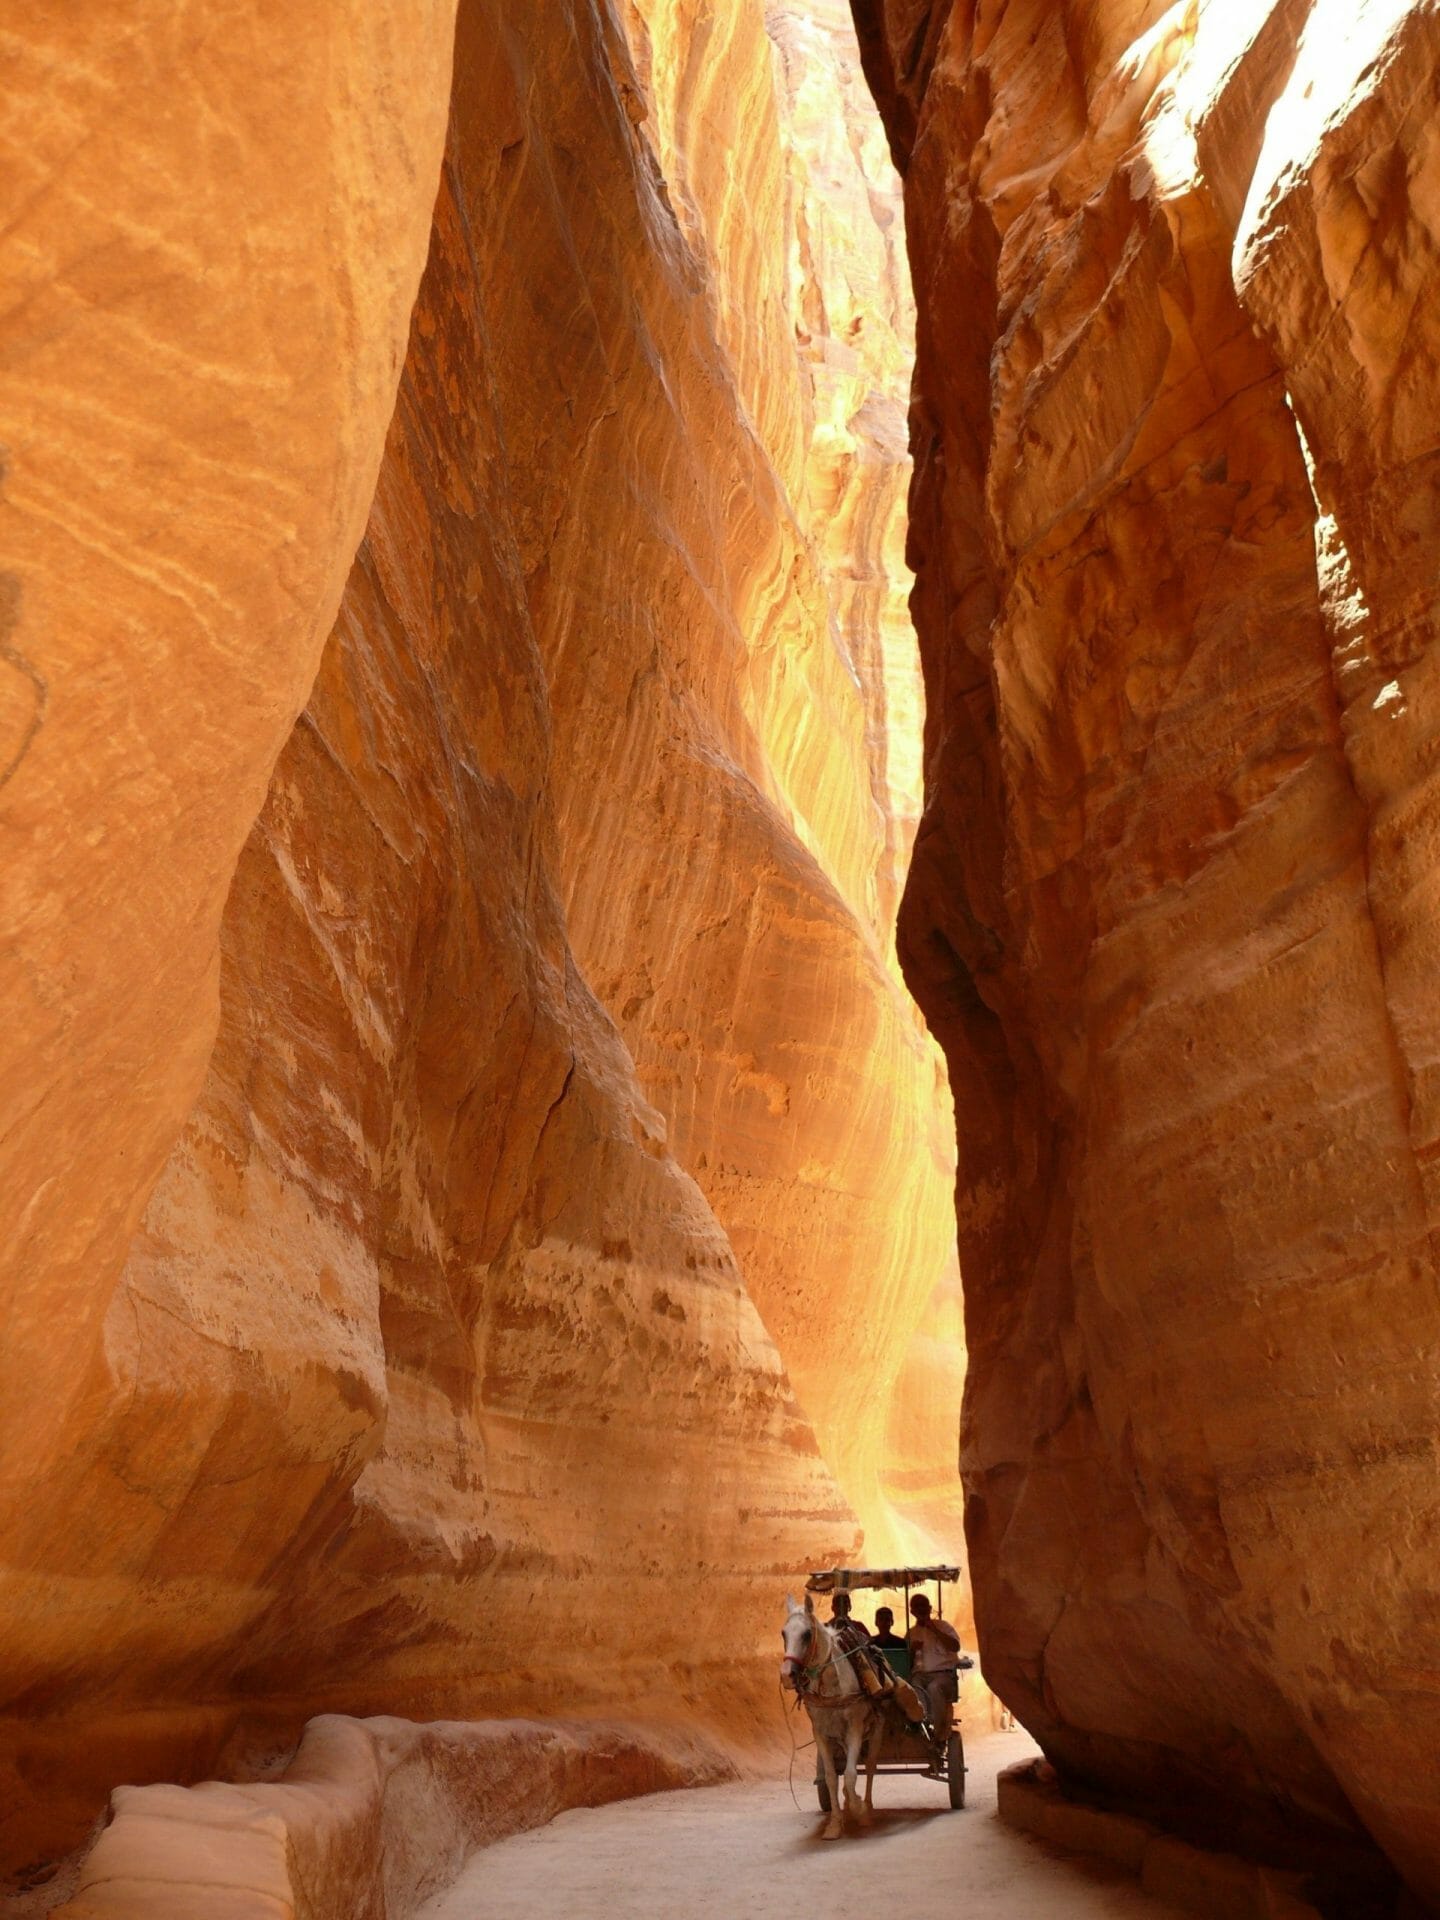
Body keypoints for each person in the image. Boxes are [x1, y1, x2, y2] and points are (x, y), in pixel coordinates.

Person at [907, 1593, 972, 1741]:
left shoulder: (944, 1626)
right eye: (917, 1607)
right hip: (920, 1675)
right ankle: (921, 1723)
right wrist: (912, 1650)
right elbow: (907, 1662)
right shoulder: (911, 1633)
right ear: (912, 1612)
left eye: (923, 1606)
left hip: (943, 1676)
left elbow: (955, 1646)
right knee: (914, 1687)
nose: (921, 1610)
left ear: (930, 1608)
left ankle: (937, 1728)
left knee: (934, 1688)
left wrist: (935, 1630)